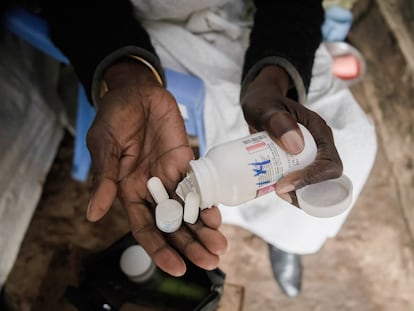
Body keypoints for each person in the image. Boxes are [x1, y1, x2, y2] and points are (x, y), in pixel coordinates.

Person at [39, 0, 347, 298]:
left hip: (251, 26)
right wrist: (126, 74)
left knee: (346, 142)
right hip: (140, 31)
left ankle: (285, 238)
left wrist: (272, 77)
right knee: (255, 168)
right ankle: (279, 228)